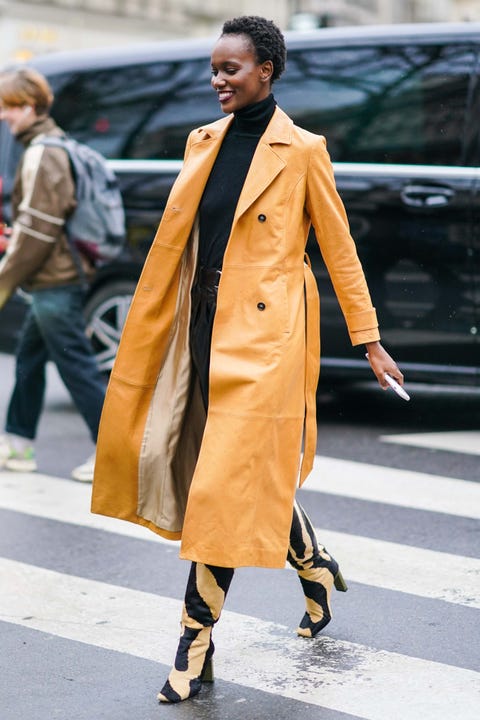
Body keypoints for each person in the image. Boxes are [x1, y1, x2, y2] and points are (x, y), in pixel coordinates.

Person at [91, 16, 405, 703]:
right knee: (233, 473)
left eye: (230, 69)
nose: (217, 80)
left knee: (224, 487)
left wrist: (369, 338)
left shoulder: (303, 150)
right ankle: (314, 565)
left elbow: (340, 249)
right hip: (199, 324)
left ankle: (193, 645)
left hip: (264, 338)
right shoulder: (202, 140)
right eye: (213, 68)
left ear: (266, 69)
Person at [0, 68, 106, 482]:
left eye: (8, 108)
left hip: (56, 279)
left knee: (76, 366)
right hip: (55, 276)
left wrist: (5, 280)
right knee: (29, 359)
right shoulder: (49, 144)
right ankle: (18, 444)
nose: (4, 117)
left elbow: (38, 228)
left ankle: (112, 456)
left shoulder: (43, 152)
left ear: (28, 106)